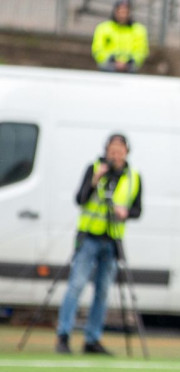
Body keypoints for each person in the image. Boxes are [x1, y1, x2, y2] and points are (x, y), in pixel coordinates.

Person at [55, 133, 142, 356]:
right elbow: (80, 199)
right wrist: (95, 180)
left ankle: (92, 339)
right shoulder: (94, 169)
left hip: (112, 239)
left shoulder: (133, 177)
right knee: (76, 285)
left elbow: (137, 210)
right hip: (89, 237)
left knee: (103, 291)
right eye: (111, 149)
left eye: (119, 149)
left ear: (126, 151)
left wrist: (126, 213)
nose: (115, 154)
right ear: (105, 150)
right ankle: (63, 335)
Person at [91, 0, 149, 73]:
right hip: (108, 68)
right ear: (115, 11)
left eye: (125, 12)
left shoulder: (139, 30)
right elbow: (97, 50)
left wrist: (129, 61)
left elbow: (141, 51)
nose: (122, 15)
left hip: (129, 68)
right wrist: (112, 60)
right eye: (120, 12)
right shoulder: (103, 28)